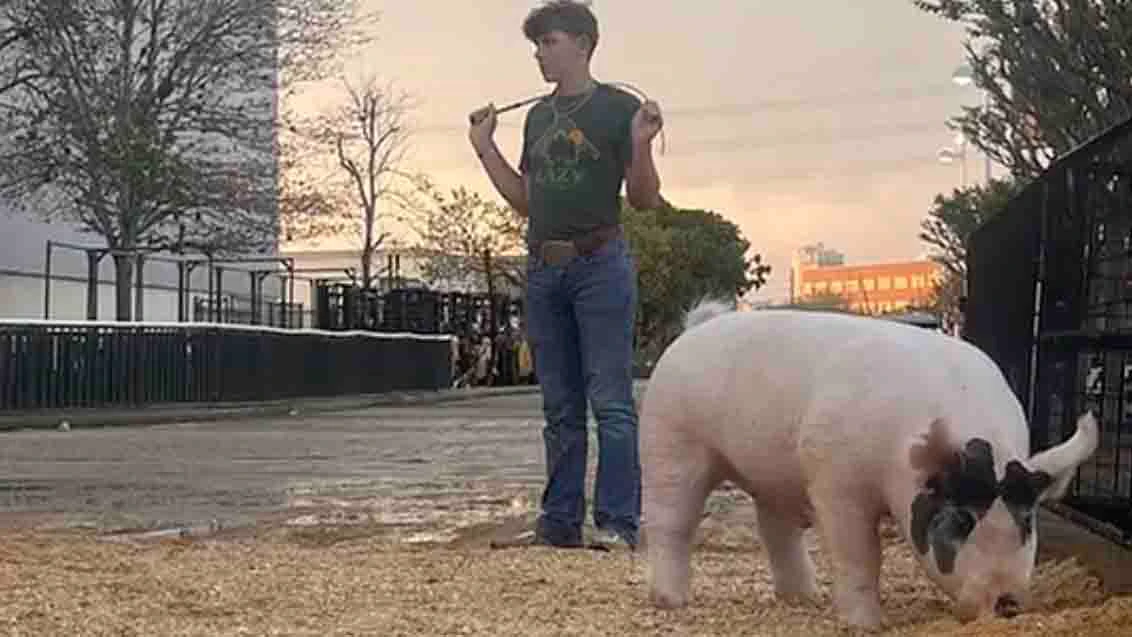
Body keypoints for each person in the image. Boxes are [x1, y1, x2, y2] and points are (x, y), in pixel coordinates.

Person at [468, 0, 663, 550]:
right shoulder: (536, 117)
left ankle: (617, 525)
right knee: (559, 408)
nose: (539, 54)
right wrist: (485, 149)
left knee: (611, 403)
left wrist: (642, 144)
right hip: (542, 269)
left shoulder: (618, 108)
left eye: (549, 43)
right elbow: (526, 202)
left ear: (583, 44)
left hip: (600, 265)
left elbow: (644, 199)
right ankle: (558, 524)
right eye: (536, 45)